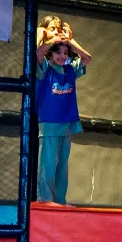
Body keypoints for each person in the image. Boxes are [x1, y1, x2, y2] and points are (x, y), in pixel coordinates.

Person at [34, 17, 91, 205]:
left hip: (66, 123)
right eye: (57, 52)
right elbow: (37, 53)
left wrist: (70, 42)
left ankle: (60, 200)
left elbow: (86, 58)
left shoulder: (69, 69)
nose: (62, 55)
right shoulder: (44, 67)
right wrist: (52, 40)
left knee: (62, 165)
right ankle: (46, 199)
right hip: (49, 122)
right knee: (47, 164)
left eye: (65, 53)